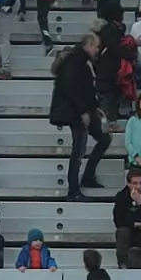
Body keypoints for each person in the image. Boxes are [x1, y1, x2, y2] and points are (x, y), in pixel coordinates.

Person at [53, 32, 110, 201]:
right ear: (89, 45)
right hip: (76, 113)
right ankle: (73, 190)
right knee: (79, 150)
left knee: (104, 139)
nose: (97, 50)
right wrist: (83, 111)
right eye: (96, 46)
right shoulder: (75, 61)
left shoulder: (80, 60)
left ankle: (87, 177)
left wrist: (94, 108)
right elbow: (72, 88)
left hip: (83, 110)